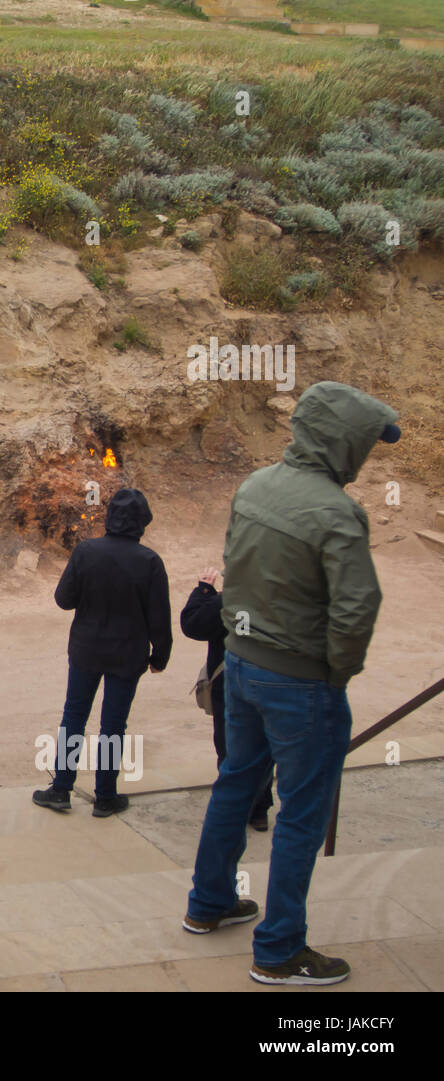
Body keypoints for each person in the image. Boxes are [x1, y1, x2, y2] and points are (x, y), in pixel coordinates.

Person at [183, 381, 399, 987]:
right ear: (342, 444)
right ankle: (278, 950)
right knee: (302, 813)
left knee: (235, 783)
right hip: (302, 681)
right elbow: (357, 607)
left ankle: (209, 902)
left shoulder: (256, 485)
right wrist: (336, 671)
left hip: (243, 667)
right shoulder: (337, 512)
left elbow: (234, 568)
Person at [33, 488, 171, 817]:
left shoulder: (85, 551)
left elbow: (64, 600)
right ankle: (106, 796)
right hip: (128, 655)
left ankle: (61, 789)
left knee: (74, 717)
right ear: (142, 523)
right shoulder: (150, 562)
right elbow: (159, 619)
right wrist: (160, 657)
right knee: (113, 725)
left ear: (109, 517)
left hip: (86, 649)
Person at [181, 566, 274, 830]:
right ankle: (259, 808)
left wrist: (203, 591)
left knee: (230, 746)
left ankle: (235, 808)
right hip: (270, 681)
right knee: (264, 746)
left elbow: (192, 624)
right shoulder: (280, 597)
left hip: (231, 685)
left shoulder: (229, 601)